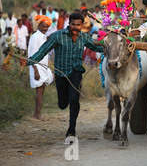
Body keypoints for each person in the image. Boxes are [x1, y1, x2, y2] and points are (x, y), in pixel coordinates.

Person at [22, 12, 104, 143]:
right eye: (73, 25)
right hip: (61, 74)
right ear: (69, 24)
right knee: (62, 104)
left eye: (78, 25)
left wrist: (111, 48)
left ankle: (71, 130)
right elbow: (43, 51)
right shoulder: (58, 36)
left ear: (81, 25)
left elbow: (97, 47)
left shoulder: (84, 37)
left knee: (74, 99)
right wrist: (28, 61)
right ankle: (63, 103)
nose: (76, 28)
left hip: (76, 72)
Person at [28, 15, 54, 120]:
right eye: (43, 26)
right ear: (38, 26)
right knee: (39, 90)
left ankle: (36, 113)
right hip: (37, 67)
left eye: (46, 27)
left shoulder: (43, 37)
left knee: (41, 90)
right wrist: (35, 70)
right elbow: (31, 55)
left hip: (43, 67)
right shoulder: (35, 37)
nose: (45, 29)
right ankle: (37, 114)